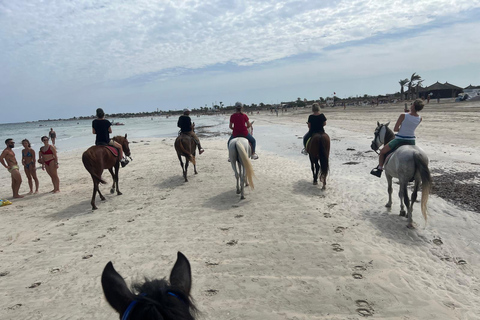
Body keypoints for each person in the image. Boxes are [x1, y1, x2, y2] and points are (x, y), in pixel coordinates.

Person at [370, 99, 424, 178]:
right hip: (411, 141)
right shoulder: (420, 118)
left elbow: (395, 129)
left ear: (413, 106)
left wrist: (405, 116)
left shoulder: (403, 115)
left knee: (382, 152)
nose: (411, 105)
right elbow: (410, 126)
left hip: (400, 139)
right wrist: (407, 114)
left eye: (412, 104)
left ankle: (379, 169)